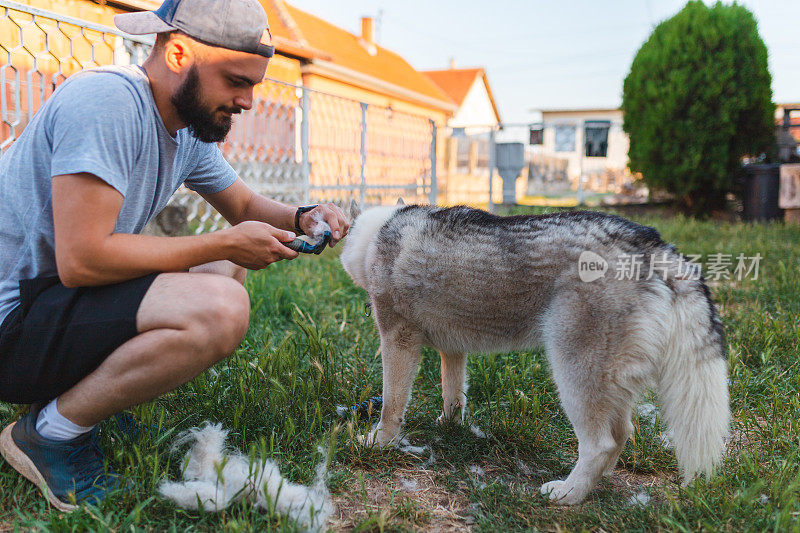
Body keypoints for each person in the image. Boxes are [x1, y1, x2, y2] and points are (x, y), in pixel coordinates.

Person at [0, 0, 349, 511]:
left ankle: (83, 397)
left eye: (254, 84)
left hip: (51, 302)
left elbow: (246, 206)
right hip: (11, 321)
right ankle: (49, 433)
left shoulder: (185, 128)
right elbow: (83, 260)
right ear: (179, 53)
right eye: (236, 81)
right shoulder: (108, 102)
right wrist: (225, 242)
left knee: (222, 270)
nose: (248, 101)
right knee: (220, 305)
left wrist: (303, 216)